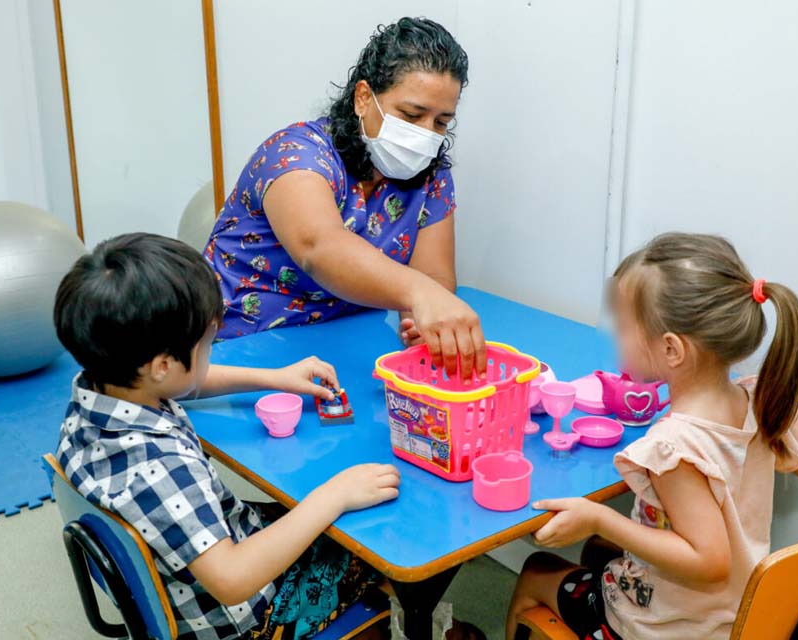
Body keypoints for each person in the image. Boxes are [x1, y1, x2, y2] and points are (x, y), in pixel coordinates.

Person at [53, 233, 400, 640]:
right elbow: (233, 580)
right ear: (163, 365)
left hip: (192, 560)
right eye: (207, 344)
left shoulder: (101, 389)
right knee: (375, 543)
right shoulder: (161, 467)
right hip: (240, 614)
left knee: (315, 513)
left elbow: (188, 381)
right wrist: (333, 495)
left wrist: (274, 377)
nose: (210, 353)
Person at [505, 233, 798, 640]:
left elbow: (709, 561)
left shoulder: (671, 447)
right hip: (740, 614)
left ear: (672, 350)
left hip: (664, 629)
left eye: (624, 327)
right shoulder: (756, 400)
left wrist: (599, 517)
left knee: (536, 570)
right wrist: (773, 390)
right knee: (598, 552)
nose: (616, 338)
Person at [204, 17, 485, 381]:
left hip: (341, 347)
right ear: (364, 98)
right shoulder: (296, 154)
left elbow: (433, 274)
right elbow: (320, 247)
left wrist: (420, 317)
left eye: (441, 122)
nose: (426, 135)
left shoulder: (430, 176)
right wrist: (419, 293)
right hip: (235, 349)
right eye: (412, 115)